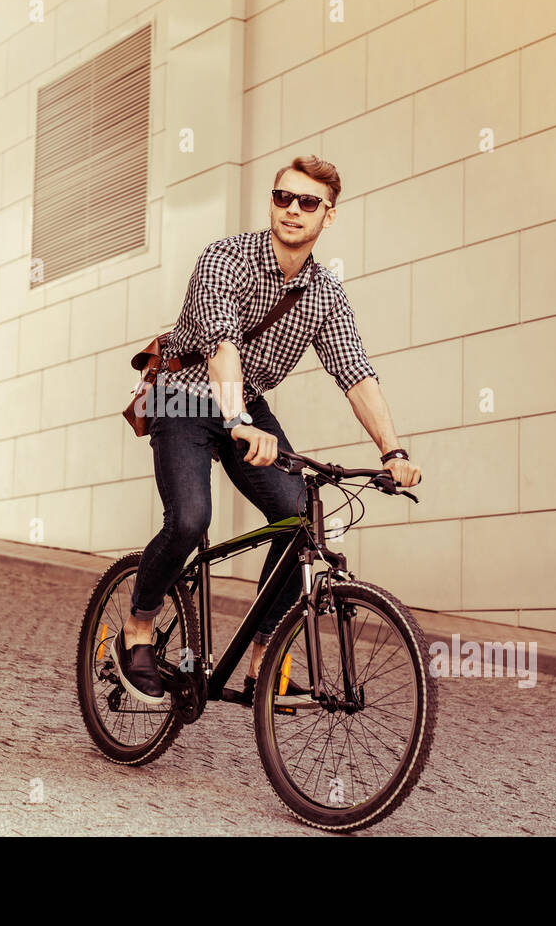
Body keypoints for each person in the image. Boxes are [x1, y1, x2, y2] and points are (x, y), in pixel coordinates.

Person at [111, 155, 421, 707]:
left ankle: (264, 661)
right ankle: (138, 627)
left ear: (329, 216)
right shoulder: (225, 259)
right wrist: (236, 423)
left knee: (297, 518)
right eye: (283, 197)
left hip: (244, 405)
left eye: (308, 202)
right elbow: (223, 347)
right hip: (183, 397)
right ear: (272, 201)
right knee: (189, 518)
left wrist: (392, 450)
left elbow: (354, 372)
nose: (293, 210)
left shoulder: (325, 291)